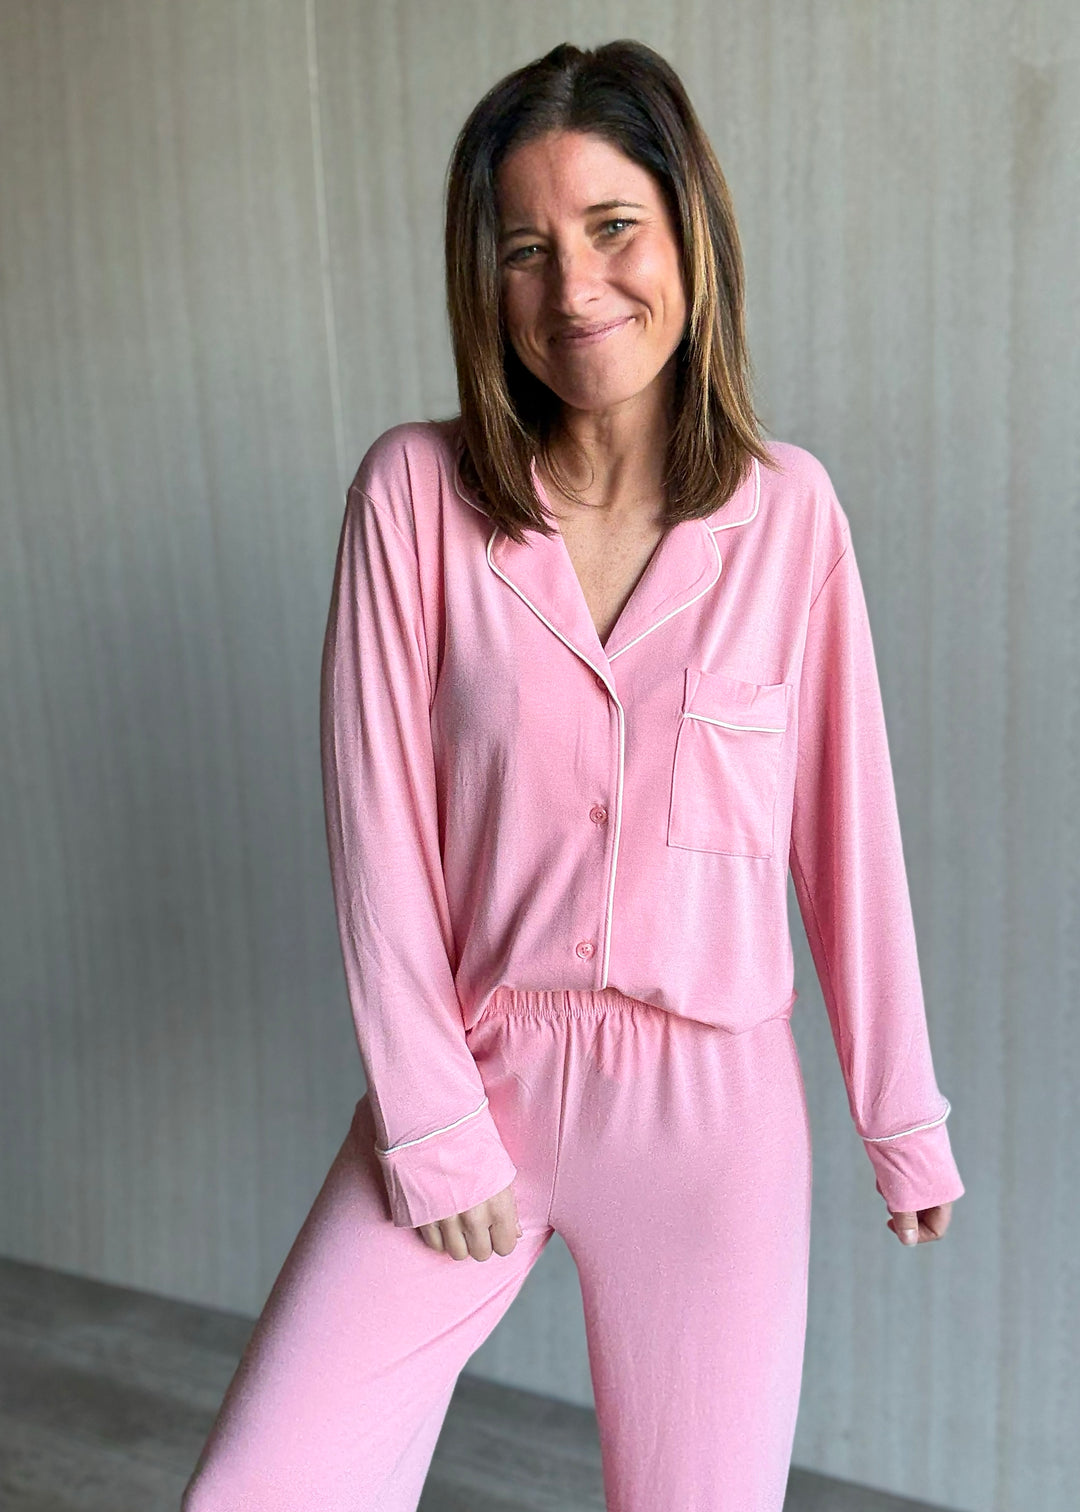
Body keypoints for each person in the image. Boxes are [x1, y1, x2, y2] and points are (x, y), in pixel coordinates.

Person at [180, 37, 964, 1512]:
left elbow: (848, 836)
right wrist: (427, 1121)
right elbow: (378, 837)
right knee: (261, 1490)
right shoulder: (412, 497)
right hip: (478, 1070)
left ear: (689, 240)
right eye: (525, 250)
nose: (572, 288)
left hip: (715, 1121)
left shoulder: (790, 519)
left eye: (613, 230)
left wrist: (899, 1115)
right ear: (486, 286)